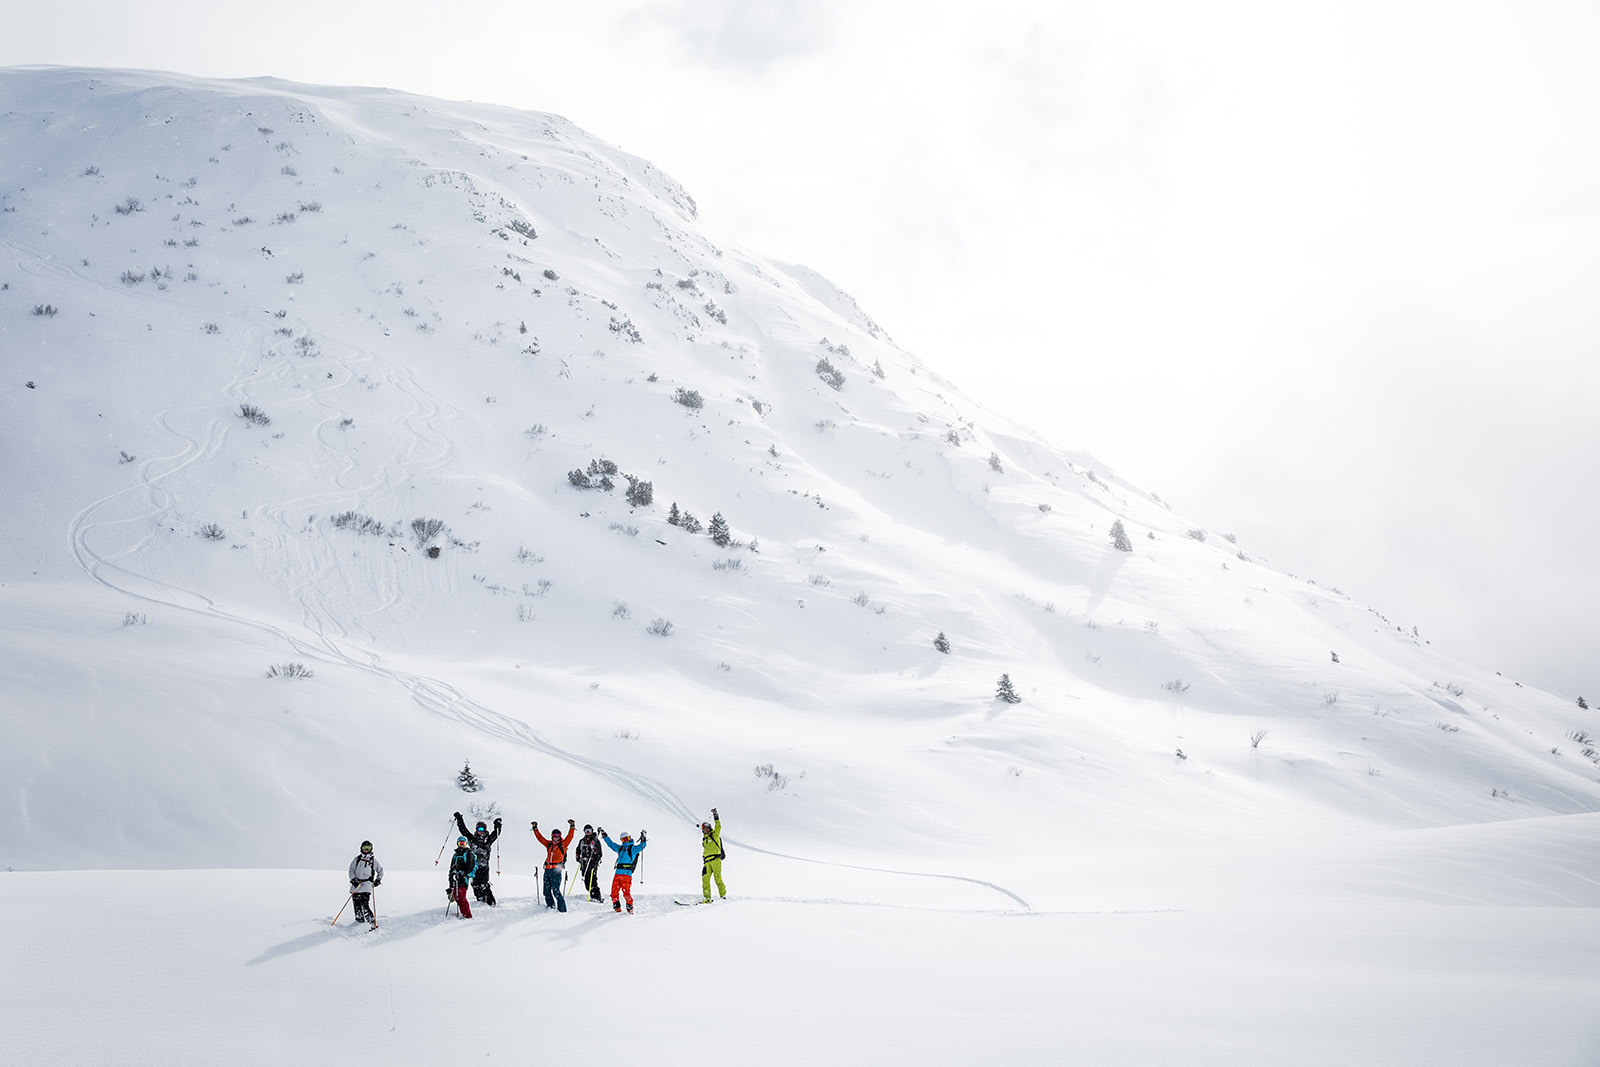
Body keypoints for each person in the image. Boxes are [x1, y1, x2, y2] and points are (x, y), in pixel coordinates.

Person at [453, 812, 502, 906]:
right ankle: (480, 901)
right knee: (475, 885)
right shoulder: (472, 839)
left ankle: (491, 902)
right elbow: (463, 830)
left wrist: (498, 825)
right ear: (476, 830)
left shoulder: (487, 841)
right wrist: (459, 819)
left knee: (483, 885)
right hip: (473, 867)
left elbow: (496, 834)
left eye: (482, 829)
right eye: (479, 829)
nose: (481, 831)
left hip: (484, 867)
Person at [532, 819, 576, 912]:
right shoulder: (549, 844)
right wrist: (535, 828)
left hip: (556, 869)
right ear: (552, 836)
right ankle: (551, 907)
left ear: (560, 837)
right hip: (547, 870)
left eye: (557, 836)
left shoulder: (563, 844)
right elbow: (540, 838)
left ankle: (562, 910)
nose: (556, 837)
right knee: (546, 891)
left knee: (556, 890)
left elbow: (570, 837)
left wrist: (572, 827)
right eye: (554, 836)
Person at [599, 827, 647, 913]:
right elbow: (611, 844)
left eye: (627, 838)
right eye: (623, 839)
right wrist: (604, 835)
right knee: (614, 892)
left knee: (626, 893)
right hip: (617, 873)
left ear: (630, 838)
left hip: (626, 874)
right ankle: (617, 908)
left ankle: (630, 907)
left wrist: (643, 838)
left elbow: (642, 846)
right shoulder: (620, 848)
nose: (625, 841)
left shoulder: (632, 849)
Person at [347, 840, 383, 924]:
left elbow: (381, 871)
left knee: (364, 904)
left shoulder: (373, 860)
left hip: (366, 885)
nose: (366, 850)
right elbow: (351, 870)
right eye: (364, 848)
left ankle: (371, 922)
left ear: (371, 849)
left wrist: (377, 880)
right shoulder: (357, 859)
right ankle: (359, 922)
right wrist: (353, 880)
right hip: (356, 885)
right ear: (361, 849)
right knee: (356, 905)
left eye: (368, 848)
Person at [700, 807, 726, 903]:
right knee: (705, 880)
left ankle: (723, 896)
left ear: (709, 828)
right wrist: (704, 855)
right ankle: (707, 898)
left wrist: (716, 815)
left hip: (715, 860)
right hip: (707, 861)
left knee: (717, 878)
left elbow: (718, 826)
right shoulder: (704, 840)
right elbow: (706, 850)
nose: (705, 830)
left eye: (706, 828)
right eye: (703, 829)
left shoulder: (714, 835)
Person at [447, 835, 478, 918]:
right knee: (457, 897)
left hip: (463, 879)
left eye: (463, 843)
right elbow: (451, 868)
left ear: (466, 844)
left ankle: (467, 915)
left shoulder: (468, 854)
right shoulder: (455, 855)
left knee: (461, 897)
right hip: (454, 879)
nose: (461, 844)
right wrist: (450, 882)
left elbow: (470, 867)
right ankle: (464, 913)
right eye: (460, 843)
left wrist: (462, 874)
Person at [575, 824, 604, 903]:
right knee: (586, 882)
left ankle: (597, 897)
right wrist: (578, 858)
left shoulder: (595, 841)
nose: (588, 833)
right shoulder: (582, 841)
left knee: (593, 880)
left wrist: (596, 861)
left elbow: (599, 853)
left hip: (592, 863)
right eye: (586, 831)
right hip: (584, 864)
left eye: (589, 831)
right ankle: (592, 894)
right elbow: (578, 850)